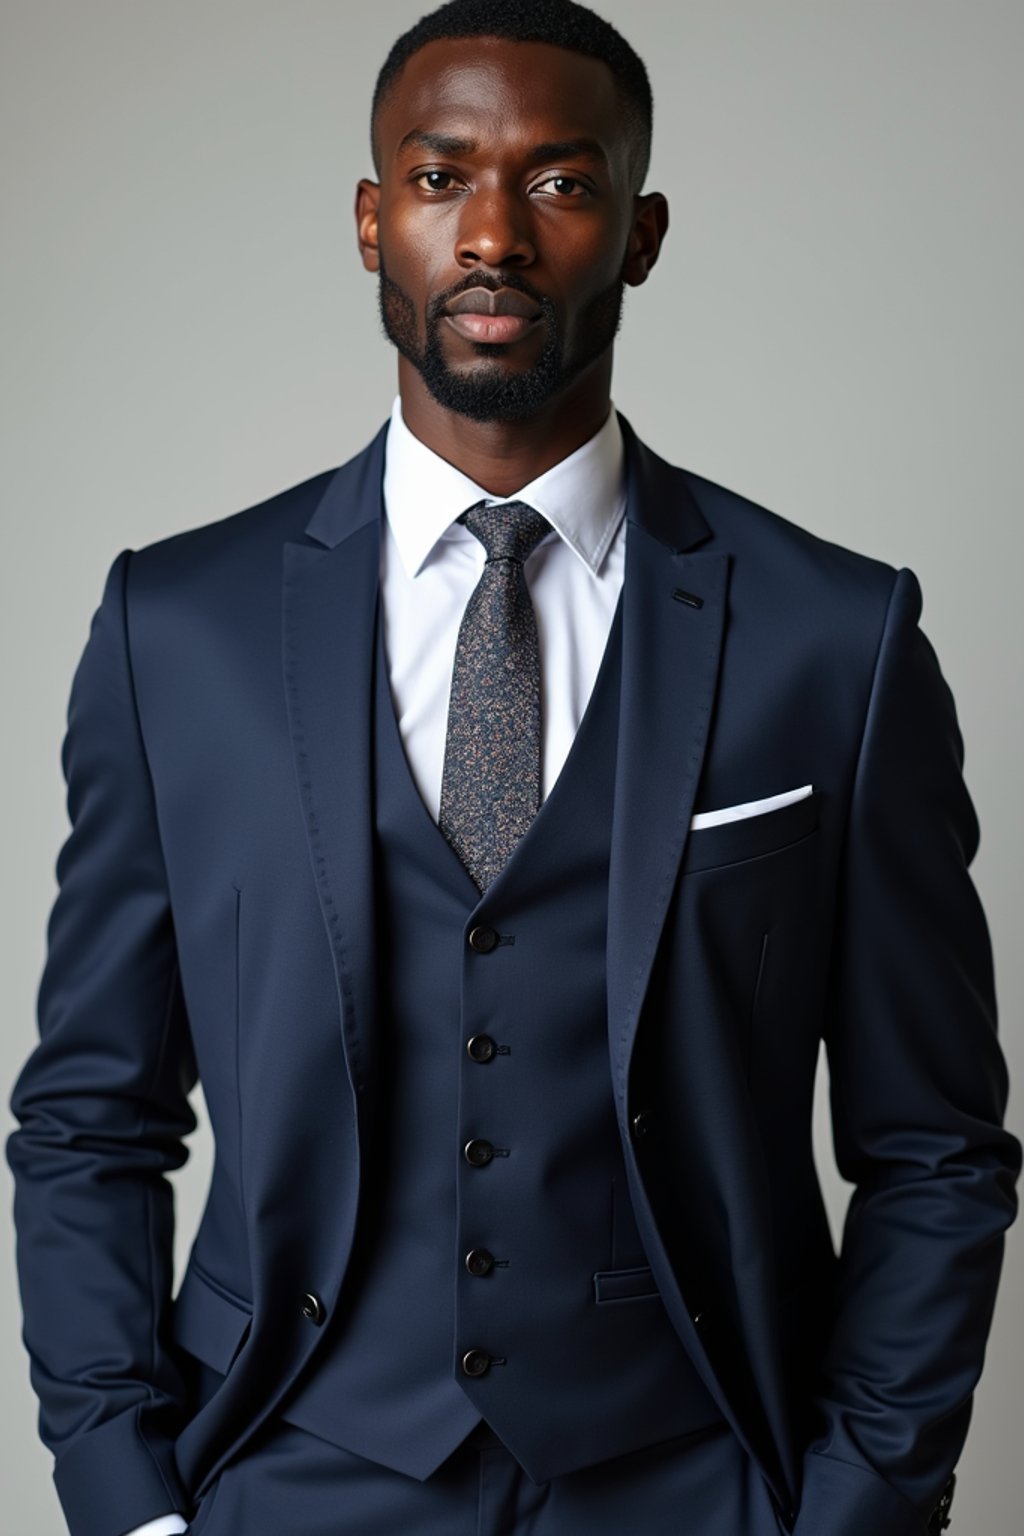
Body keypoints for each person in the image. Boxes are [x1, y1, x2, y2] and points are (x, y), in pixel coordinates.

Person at [7, 2, 1020, 1533]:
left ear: (642, 230)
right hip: (290, 1471)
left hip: (699, 1477)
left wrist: (862, 1504)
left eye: (559, 183)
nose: (494, 234)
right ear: (370, 221)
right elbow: (90, 1113)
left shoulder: (836, 635)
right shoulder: (182, 627)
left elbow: (934, 1149)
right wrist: (125, 1495)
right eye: (437, 178)